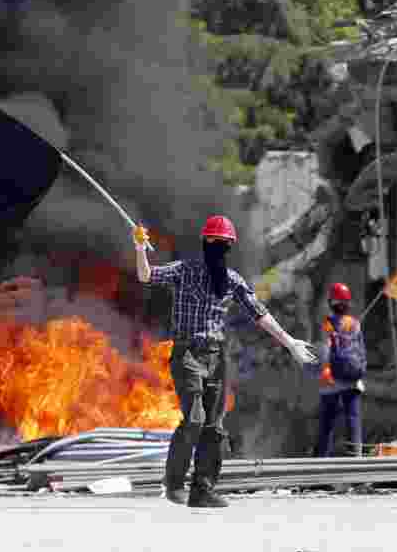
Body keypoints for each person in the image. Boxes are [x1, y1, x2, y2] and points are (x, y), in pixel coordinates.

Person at [134, 216, 318, 507]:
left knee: (214, 427)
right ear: (205, 242)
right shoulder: (185, 270)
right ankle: (174, 483)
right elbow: (147, 276)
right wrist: (140, 248)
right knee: (194, 419)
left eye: (225, 243)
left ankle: (203, 490)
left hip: (216, 357)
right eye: (215, 241)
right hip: (188, 354)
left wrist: (290, 342)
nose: (219, 246)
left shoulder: (231, 280)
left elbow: (259, 313)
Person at [315, 282, 366, 458]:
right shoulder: (355, 323)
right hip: (353, 379)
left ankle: (321, 461)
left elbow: (324, 350)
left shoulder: (328, 323)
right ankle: (355, 458)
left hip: (332, 380)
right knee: (353, 420)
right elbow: (361, 350)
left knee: (327, 423)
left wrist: (324, 371)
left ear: (331, 302)